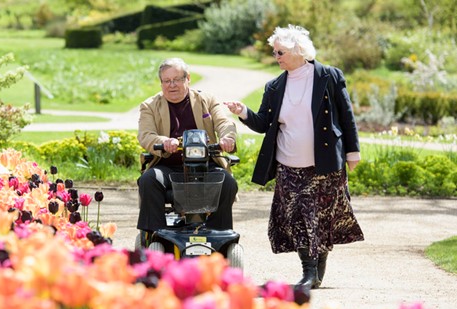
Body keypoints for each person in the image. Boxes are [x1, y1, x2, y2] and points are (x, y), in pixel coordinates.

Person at [224, 25, 364, 290]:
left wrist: (352, 152)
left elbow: (347, 116)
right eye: (274, 52)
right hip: (289, 164)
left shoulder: (329, 76)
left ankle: (316, 272)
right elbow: (264, 123)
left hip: (324, 164)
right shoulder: (275, 86)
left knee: (321, 218)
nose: (276, 56)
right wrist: (243, 112)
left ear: (299, 50)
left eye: (281, 52)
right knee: (298, 218)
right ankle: (309, 272)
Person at [137, 57, 238, 242]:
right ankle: (155, 235)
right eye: (166, 81)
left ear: (188, 78)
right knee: (148, 180)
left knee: (228, 183)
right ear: (161, 83)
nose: (172, 85)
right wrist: (164, 141)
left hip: (204, 166)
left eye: (177, 79)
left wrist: (227, 138)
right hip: (167, 167)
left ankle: (219, 236)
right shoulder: (149, 106)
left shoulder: (207, 100)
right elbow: (146, 135)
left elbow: (225, 123)